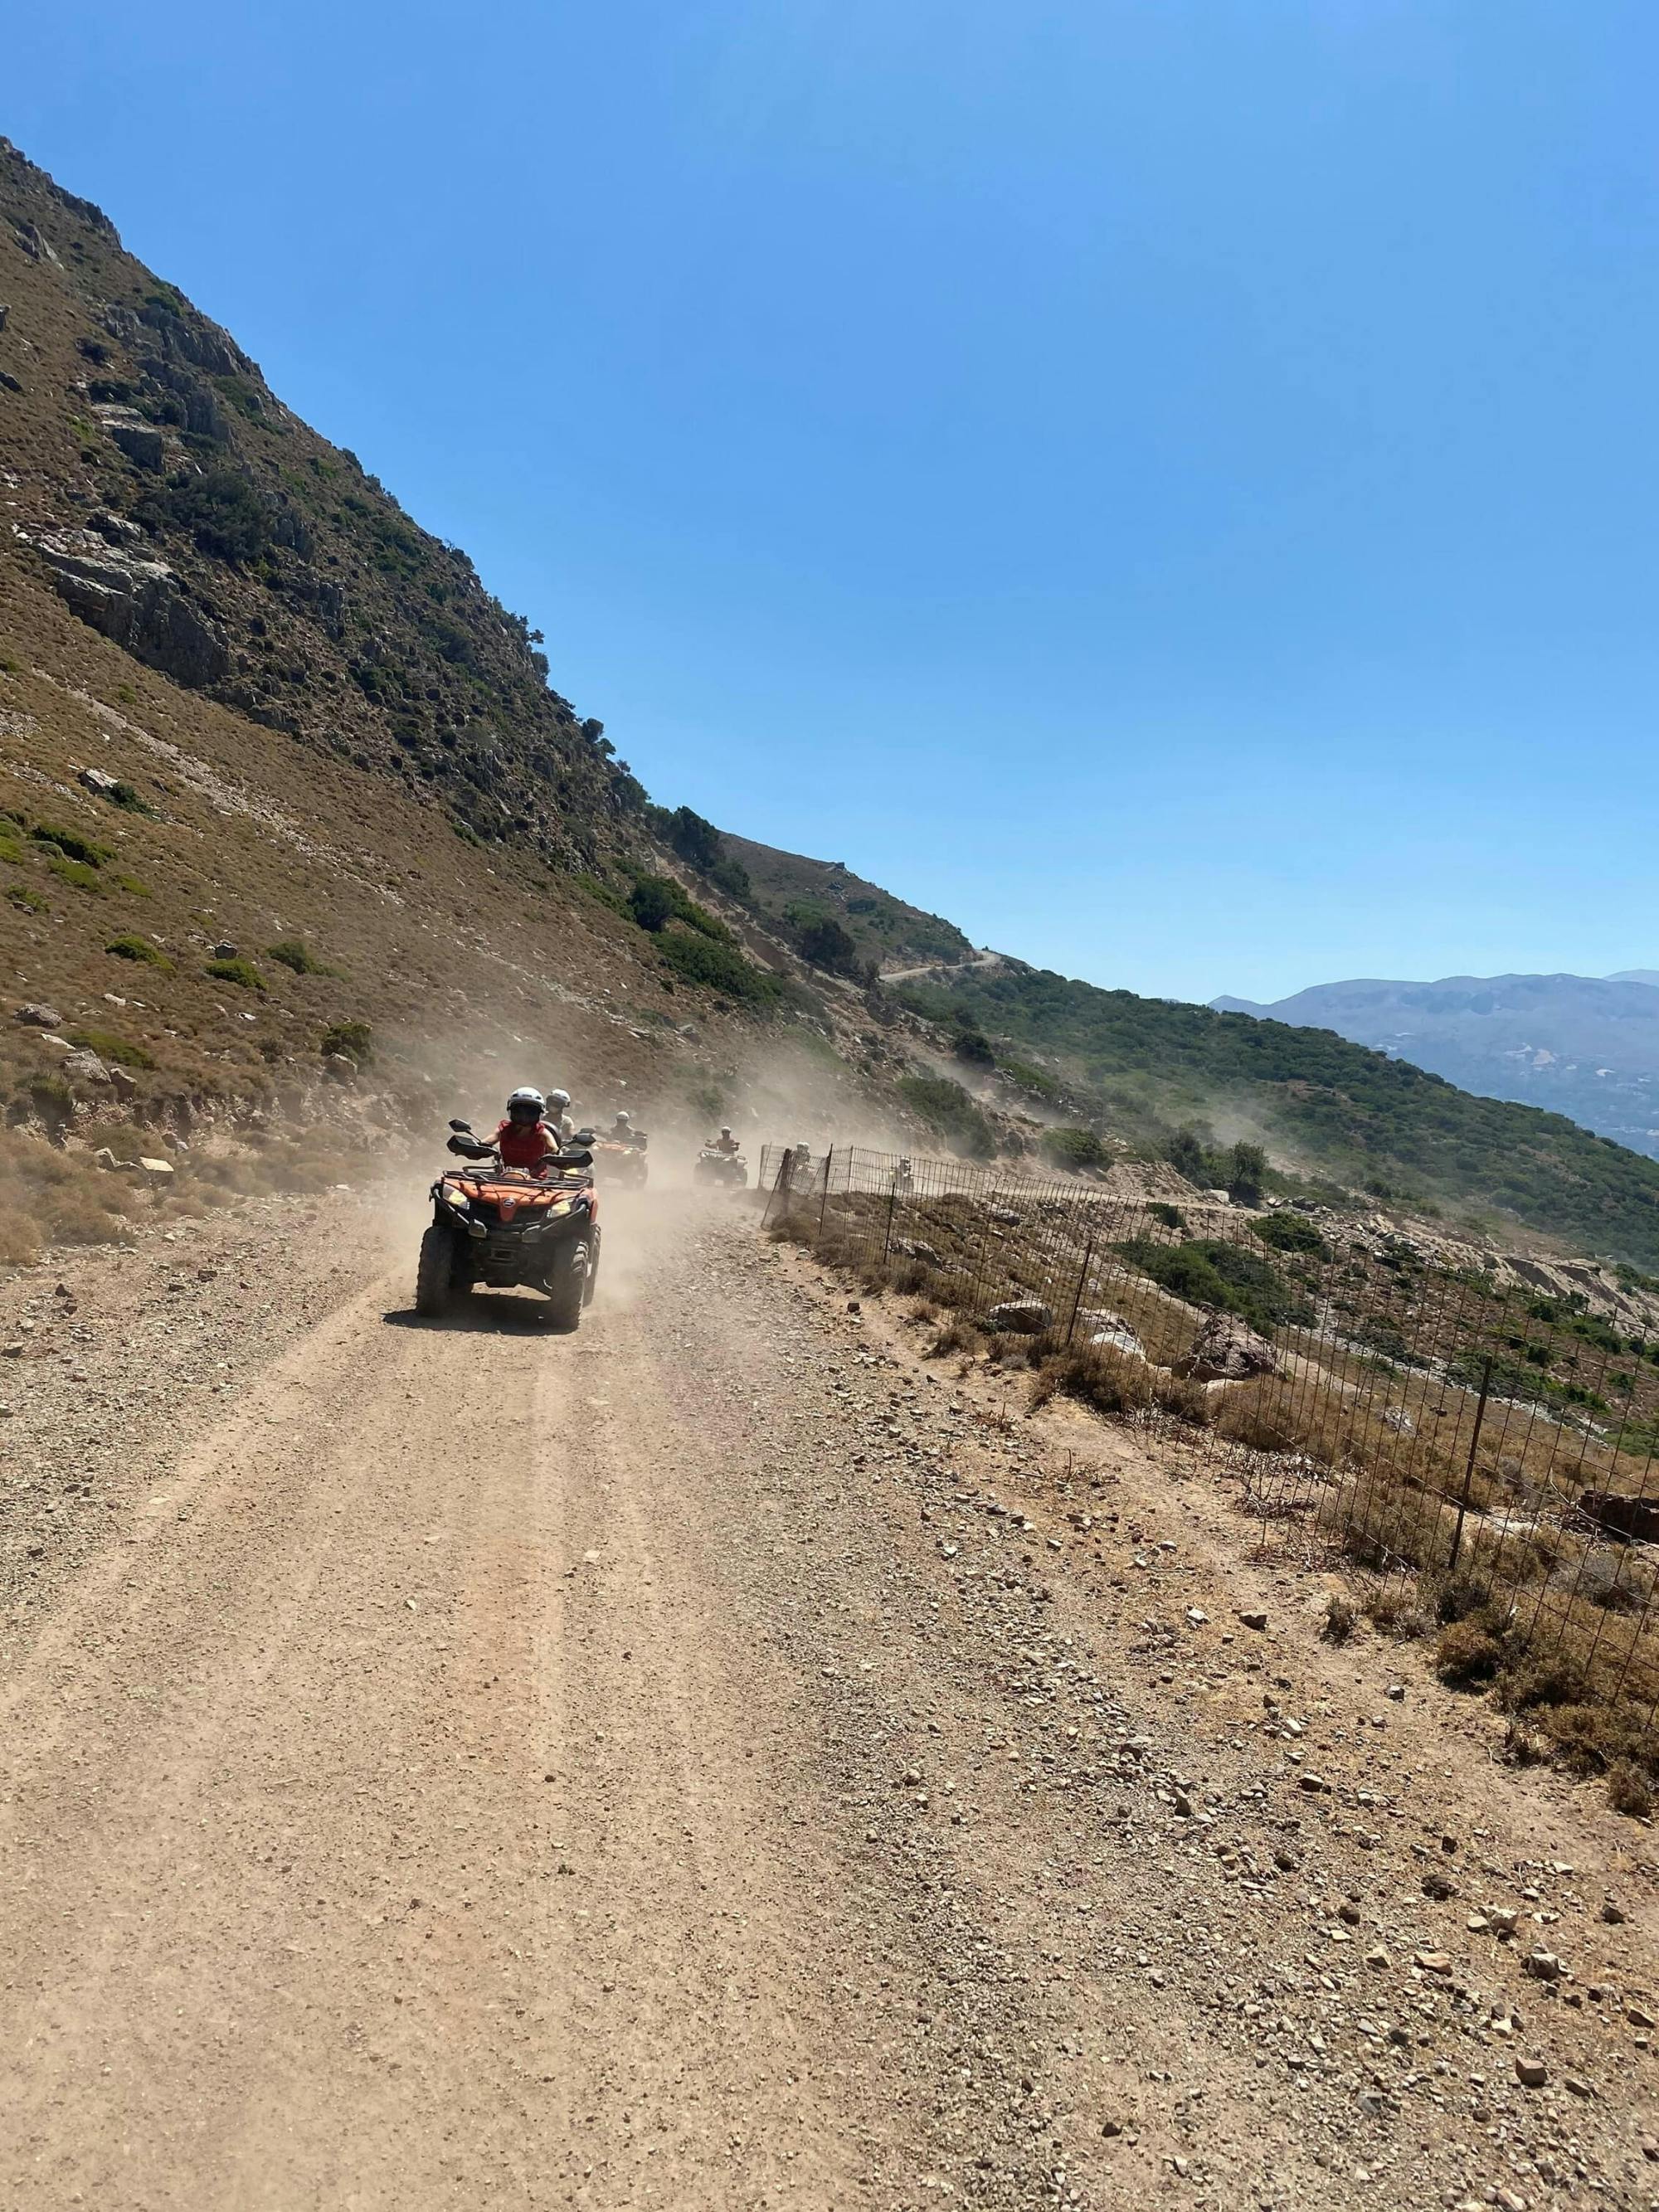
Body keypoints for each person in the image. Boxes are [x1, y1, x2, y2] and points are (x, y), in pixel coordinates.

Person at [491, 1087, 558, 1172]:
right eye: (519, 1111)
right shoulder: (504, 1129)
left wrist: (562, 1156)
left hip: (536, 1180)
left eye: (531, 1112)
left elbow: (555, 1151)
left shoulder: (542, 1133)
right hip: (504, 1177)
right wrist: (475, 1147)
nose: (524, 1116)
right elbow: (487, 1142)